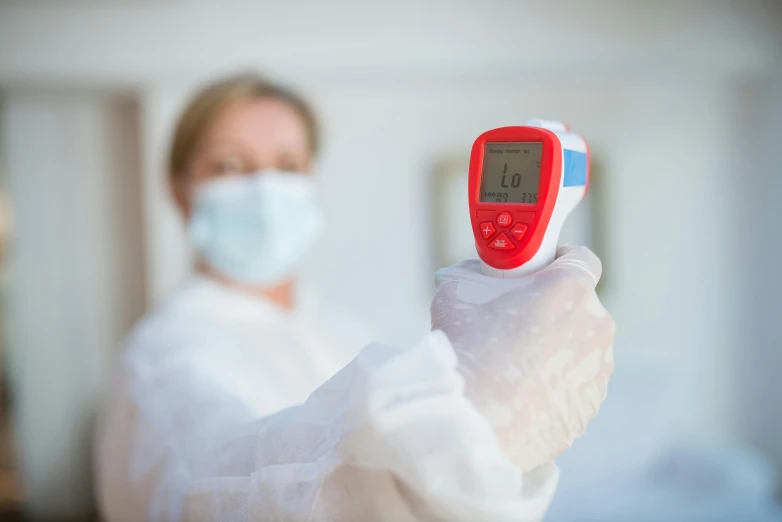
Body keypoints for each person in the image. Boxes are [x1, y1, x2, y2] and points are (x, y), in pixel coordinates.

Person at [95, 73, 616, 522]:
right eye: (231, 166)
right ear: (178, 189)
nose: (264, 188)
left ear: (311, 180)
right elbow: (209, 492)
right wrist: (480, 414)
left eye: (287, 164)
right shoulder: (165, 360)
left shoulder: (342, 332)